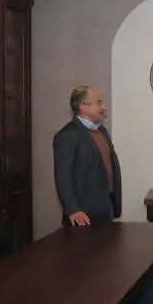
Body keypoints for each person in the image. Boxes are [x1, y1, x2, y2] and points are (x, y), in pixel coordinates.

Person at [53, 85, 122, 226]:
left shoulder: (102, 131)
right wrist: (72, 210)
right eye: (99, 103)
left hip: (106, 209)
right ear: (84, 107)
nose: (104, 107)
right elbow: (63, 176)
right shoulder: (67, 135)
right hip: (83, 216)